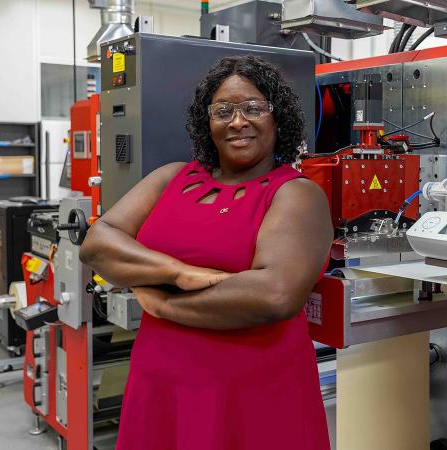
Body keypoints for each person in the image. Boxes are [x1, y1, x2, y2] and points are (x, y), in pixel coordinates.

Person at [79, 55, 333, 450]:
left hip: (252, 395)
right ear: (207, 121)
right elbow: (98, 242)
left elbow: (274, 294)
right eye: (223, 111)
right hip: (160, 384)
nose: (237, 121)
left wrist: (164, 306)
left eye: (253, 108)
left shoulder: (296, 194)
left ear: (276, 115)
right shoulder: (171, 177)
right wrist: (177, 272)